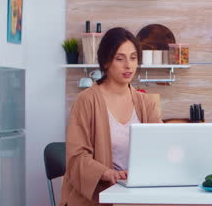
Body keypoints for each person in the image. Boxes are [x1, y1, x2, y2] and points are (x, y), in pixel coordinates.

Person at [60, 27, 162, 206]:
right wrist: (107, 173)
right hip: (95, 198)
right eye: (119, 58)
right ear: (106, 61)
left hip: (134, 196)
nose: (128, 65)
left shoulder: (146, 103)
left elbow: (161, 146)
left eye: (133, 57)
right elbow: (76, 157)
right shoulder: (86, 101)